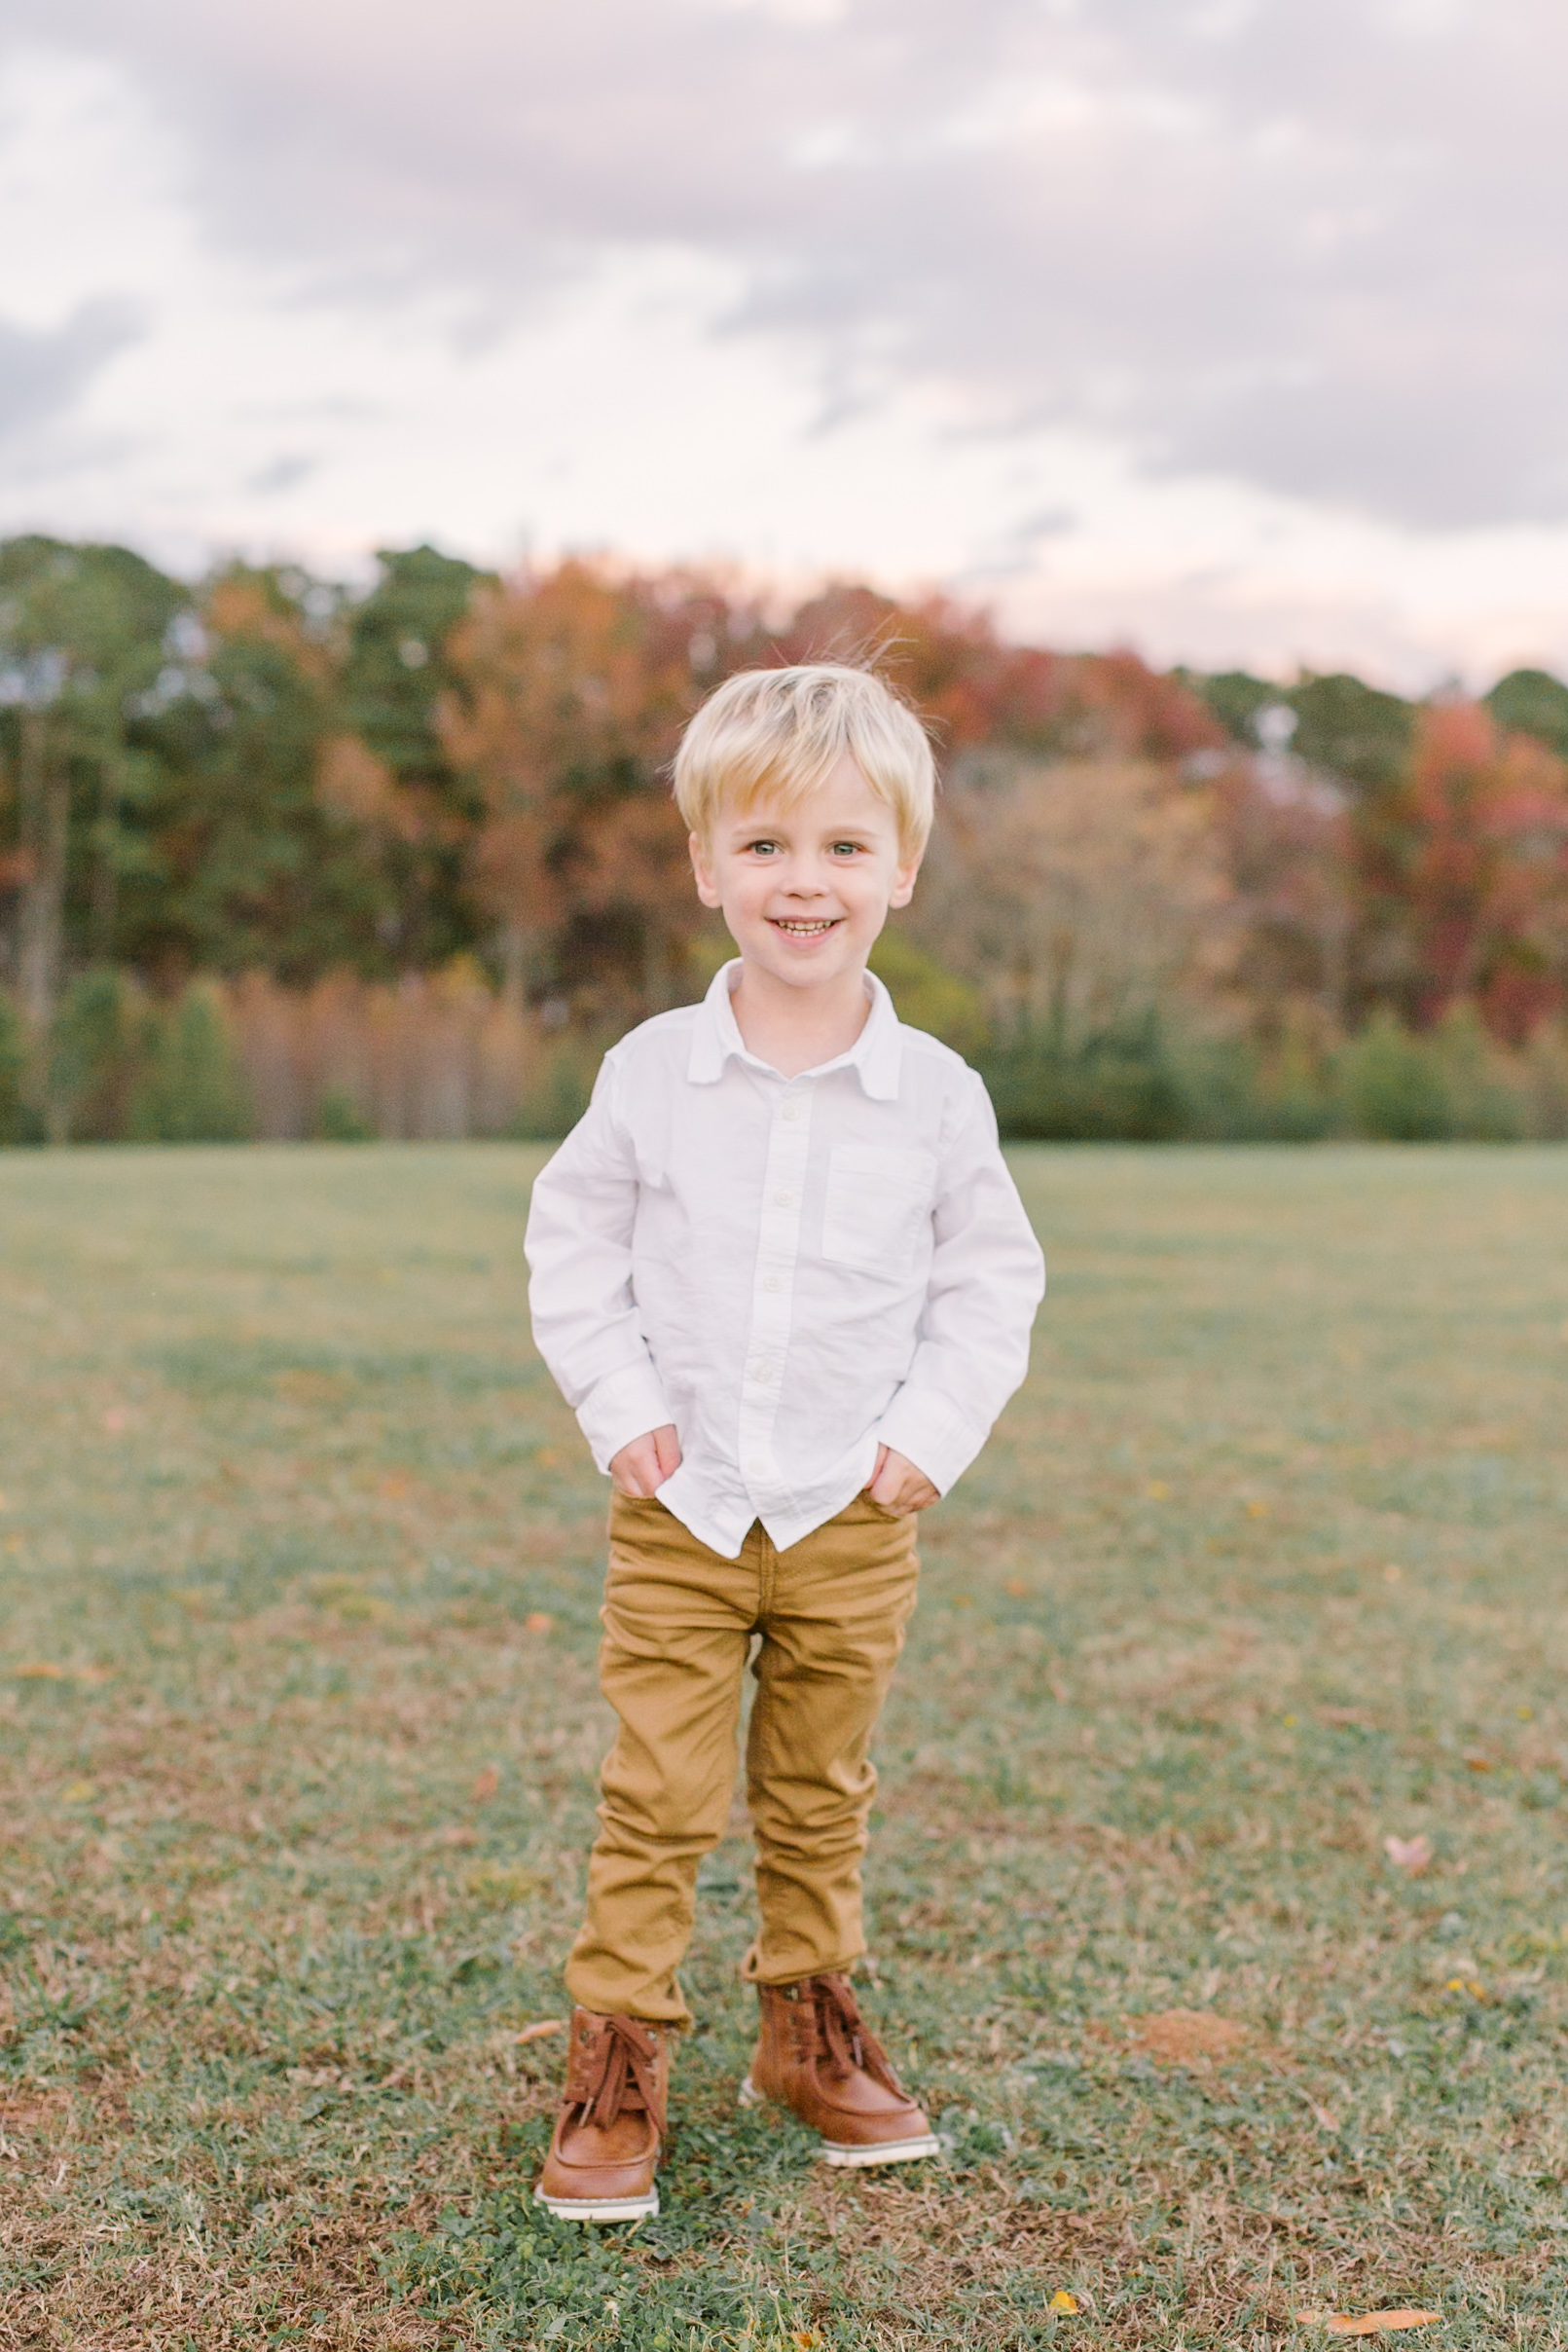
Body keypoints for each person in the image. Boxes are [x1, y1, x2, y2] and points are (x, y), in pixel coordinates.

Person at [524, 663, 1045, 2221]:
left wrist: (928, 1438)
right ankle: (617, 2063)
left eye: (837, 847)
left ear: (900, 867)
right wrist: (623, 1411)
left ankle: (809, 2034)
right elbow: (573, 1243)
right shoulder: (650, 1074)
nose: (800, 881)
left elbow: (990, 1279)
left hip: (850, 1509)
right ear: (706, 868)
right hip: (685, 1510)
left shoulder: (936, 1096)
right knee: (660, 1795)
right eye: (761, 848)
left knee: (821, 1792)